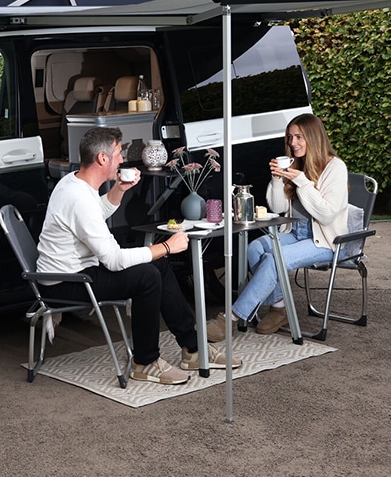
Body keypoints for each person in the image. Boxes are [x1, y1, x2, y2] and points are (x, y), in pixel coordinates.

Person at [37, 126, 240, 385]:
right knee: (147, 276)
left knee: (159, 265)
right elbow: (113, 260)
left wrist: (119, 189)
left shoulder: (73, 182)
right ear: (102, 159)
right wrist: (167, 246)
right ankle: (145, 362)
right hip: (66, 283)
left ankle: (193, 349)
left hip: (73, 273)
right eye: (119, 153)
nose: (122, 159)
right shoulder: (79, 198)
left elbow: (94, 214)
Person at [208, 113, 349, 340]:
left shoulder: (335, 168)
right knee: (255, 248)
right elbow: (277, 207)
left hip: (323, 240)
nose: (293, 143)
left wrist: (302, 181)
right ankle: (279, 307)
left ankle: (231, 318)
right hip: (294, 232)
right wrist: (277, 179)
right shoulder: (296, 164)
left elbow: (327, 214)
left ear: (314, 137)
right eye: (290, 137)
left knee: (275, 258)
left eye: (299, 137)